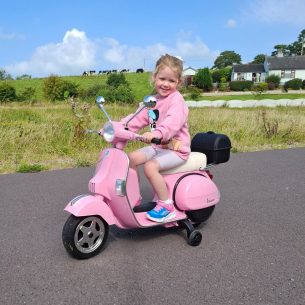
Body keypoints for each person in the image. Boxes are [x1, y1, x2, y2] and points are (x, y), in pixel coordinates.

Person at [120, 54, 191, 222]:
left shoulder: (177, 100)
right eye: (162, 79)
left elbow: (172, 123)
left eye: (171, 81)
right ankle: (133, 196)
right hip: (157, 147)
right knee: (130, 159)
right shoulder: (153, 101)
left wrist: (157, 134)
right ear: (154, 78)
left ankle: (167, 205)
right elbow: (136, 119)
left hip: (176, 149)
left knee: (150, 167)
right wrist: (116, 127)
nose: (166, 84)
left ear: (179, 83)